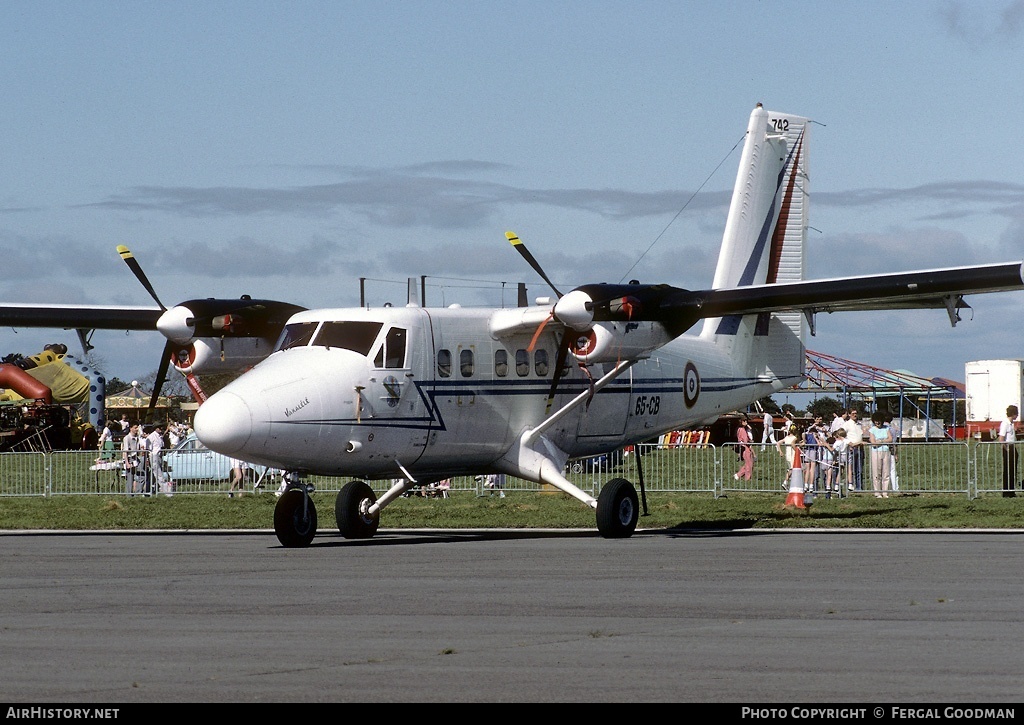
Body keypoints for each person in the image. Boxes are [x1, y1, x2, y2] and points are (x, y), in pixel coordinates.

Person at [868, 412, 892, 498]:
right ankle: (877, 492)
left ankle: (885, 492)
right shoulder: (872, 430)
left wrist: (881, 441)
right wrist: (883, 440)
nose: (877, 423)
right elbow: (873, 443)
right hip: (876, 452)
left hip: (886, 451)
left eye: (879, 421)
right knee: (876, 472)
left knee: (886, 472)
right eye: (875, 421)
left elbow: (890, 439)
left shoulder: (886, 428)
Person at [998, 404, 1018, 498]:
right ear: (1013, 414)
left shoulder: (1011, 424)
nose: (1017, 416)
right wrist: (1006, 449)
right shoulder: (1005, 423)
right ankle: (1006, 491)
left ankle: (1012, 490)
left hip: (1013, 447)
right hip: (1008, 448)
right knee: (1007, 470)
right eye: (1016, 414)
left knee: (1013, 470)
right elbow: (1001, 439)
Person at [843, 408, 865, 491]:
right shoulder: (846, 424)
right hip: (852, 448)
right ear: (849, 414)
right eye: (853, 413)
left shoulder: (859, 424)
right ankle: (851, 485)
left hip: (860, 448)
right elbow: (841, 436)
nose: (855, 415)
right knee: (851, 469)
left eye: (856, 413)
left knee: (859, 469)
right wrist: (849, 444)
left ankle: (859, 487)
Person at [121, 423, 142, 495]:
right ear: (131, 428)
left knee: (142, 475)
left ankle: (138, 492)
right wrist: (127, 463)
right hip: (130, 459)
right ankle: (129, 494)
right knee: (130, 477)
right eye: (135, 427)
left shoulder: (137, 437)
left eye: (137, 428)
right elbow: (125, 451)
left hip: (136, 458)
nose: (137, 429)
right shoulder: (127, 438)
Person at [734, 414, 754, 481]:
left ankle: (738, 475)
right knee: (749, 464)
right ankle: (747, 478)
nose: (746, 422)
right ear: (741, 421)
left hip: (744, 447)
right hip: (745, 447)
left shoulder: (739, 429)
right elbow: (745, 440)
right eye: (745, 421)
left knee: (748, 463)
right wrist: (750, 441)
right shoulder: (742, 430)